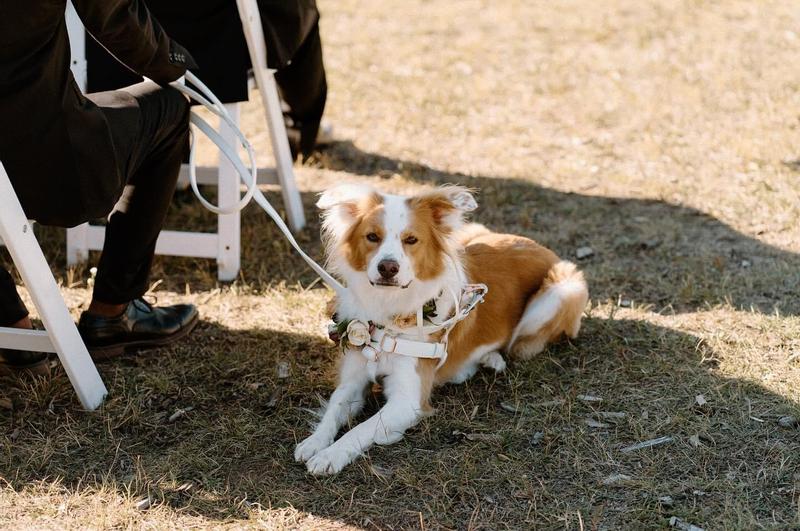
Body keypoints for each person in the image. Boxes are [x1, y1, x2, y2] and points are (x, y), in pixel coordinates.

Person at [0, 0, 201, 374]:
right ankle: (114, 309)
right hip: (49, 168)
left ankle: (10, 325)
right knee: (170, 110)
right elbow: (113, 13)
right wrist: (173, 63)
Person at [85, 0, 329, 159]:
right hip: (218, 52)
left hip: (118, 49)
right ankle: (301, 131)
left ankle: (169, 156)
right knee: (300, 10)